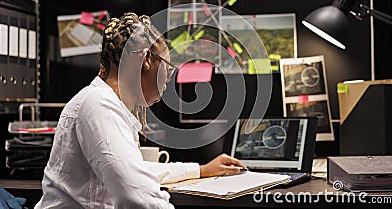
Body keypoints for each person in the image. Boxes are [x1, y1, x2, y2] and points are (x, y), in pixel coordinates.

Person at [35, 12, 246, 209]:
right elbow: (135, 194)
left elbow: (135, 171)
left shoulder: (103, 102)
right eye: (168, 68)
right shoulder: (99, 105)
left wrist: (200, 170)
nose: (168, 79)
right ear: (146, 60)